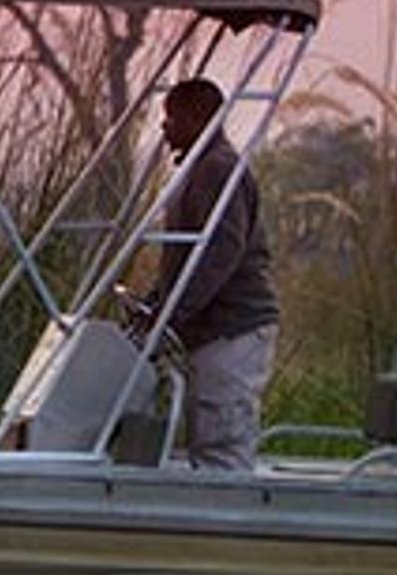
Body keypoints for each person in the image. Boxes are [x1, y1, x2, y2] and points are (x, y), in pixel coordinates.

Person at [119, 75, 280, 469]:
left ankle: (227, 518)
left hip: (231, 328)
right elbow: (188, 255)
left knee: (221, 442)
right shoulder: (200, 169)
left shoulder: (217, 169)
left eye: (172, 118)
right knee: (207, 432)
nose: (165, 127)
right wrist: (156, 302)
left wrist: (174, 311)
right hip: (213, 330)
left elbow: (221, 251)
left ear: (196, 117)